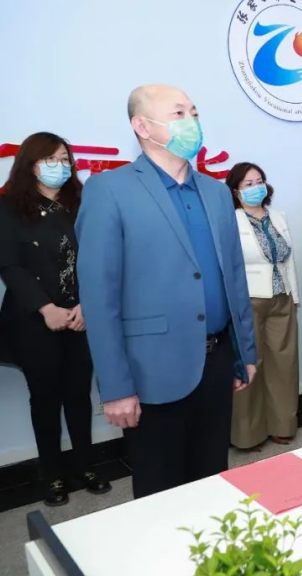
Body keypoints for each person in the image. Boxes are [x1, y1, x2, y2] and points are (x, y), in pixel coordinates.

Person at [76, 85, 257, 499]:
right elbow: (100, 298)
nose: (192, 121)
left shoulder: (215, 191)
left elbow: (234, 277)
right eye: (179, 113)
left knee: (212, 480)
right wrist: (116, 387)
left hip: (216, 360)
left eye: (194, 112)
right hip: (151, 368)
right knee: (160, 490)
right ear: (142, 126)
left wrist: (245, 352)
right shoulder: (110, 190)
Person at [0, 132, 111, 507]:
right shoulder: (9, 206)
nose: (60, 167)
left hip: (82, 315)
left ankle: (86, 466)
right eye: (50, 159)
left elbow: (99, 256)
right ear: (30, 164)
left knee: (79, 395)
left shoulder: (82, 202)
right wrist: (45, 308)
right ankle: (51, 475)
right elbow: (10, 265)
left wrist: (87, 305)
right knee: (45, 399)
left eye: (65, 159)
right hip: (35, 319)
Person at [226, 163, 300, 449]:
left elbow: (288, 260)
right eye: (248, 184)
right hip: (248, 300)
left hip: (282, 296)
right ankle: (248, 434)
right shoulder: (230, 220)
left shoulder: (278, 216)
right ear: (235, 191)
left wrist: (294, 296)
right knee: (249, 365)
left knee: (284, 364)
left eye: (259, 181)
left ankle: (282, 425)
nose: (256, 187)